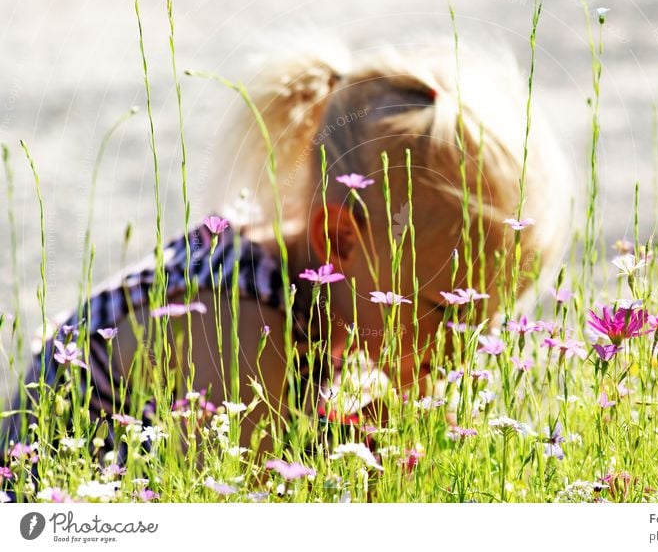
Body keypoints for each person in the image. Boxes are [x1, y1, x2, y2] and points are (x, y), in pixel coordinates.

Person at [0, 39, 572, 500]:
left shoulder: (334, 299)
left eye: (493, 318)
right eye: (448, 313)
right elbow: (233, 507)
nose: (466, 350)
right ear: (339, 239)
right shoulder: (239, 329)